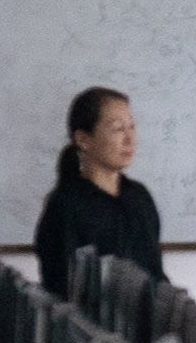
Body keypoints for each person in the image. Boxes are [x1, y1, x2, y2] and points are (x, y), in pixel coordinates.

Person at [32, 85, 163, 303]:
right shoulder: (65, 205)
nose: (129, 138)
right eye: (118, 129)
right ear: (83, 139)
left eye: (132, 127)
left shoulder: (140, 198)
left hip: (145, 320)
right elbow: (64, 289)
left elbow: (155, 275)